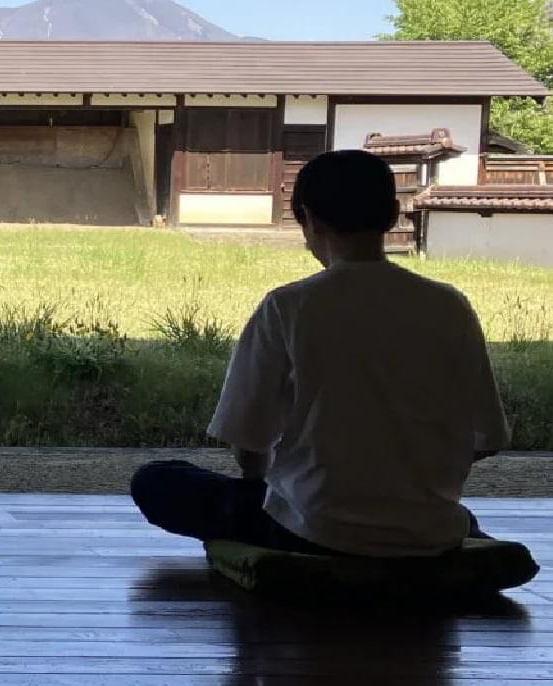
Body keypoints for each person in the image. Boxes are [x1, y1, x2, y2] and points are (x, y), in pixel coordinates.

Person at [131, 149, 510, 557]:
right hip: (428, 528)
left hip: (312, 530)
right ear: (393, 213)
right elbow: (486, 437)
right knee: (446, 517)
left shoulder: (287, 307)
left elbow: (248, 443)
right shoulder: (449, 305)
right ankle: (455, 538)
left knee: (157, 480)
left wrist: (272, 485)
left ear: (308, 218)